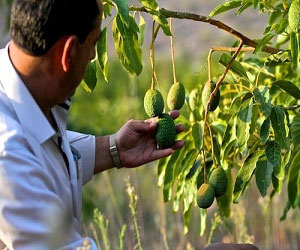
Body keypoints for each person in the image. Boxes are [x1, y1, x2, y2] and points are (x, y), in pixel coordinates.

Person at [0, 0, 184, 249]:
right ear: (69, 53)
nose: (94, 55)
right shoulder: (8, 159)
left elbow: (42, 148)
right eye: (94, 43)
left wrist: (113, 148)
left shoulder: (24, 85)